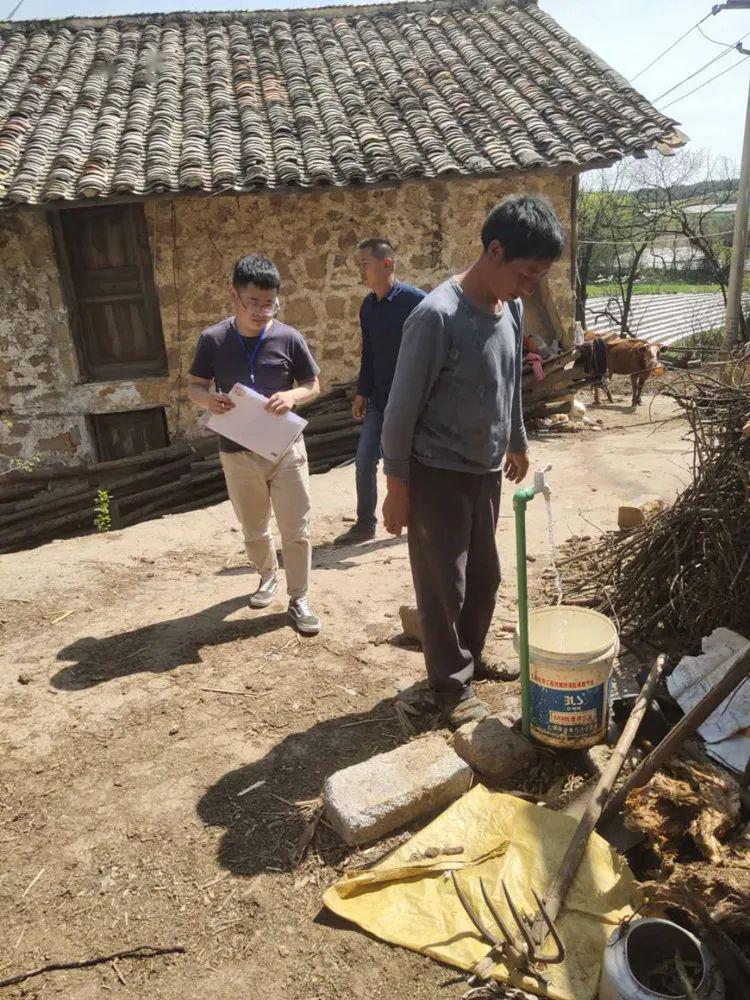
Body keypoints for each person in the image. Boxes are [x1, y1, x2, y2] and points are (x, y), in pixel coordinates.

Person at [381, 195, 565, 726]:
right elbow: (400, 409)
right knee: (444, 585)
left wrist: (518, 440)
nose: (529, 286)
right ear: (494, 250)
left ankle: (471, 656)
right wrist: (396, 485)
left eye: (538, 278)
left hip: (484, 471)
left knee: (485, 576)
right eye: (526, 274)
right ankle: (449, 686)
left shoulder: (510, 309)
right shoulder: (437, 317)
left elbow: (508, 384)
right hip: (436, 472)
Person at [187, 254, 322, 635]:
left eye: (270, 303)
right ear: (235, 296)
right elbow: (194, 385)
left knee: (297, 528)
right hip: (237, 452)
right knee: (253, 527)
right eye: (254, 303)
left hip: (285, 450)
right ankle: (266, 575)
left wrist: (293, 397)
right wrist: (206, 399)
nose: (263, 311)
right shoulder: (213, 339)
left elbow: (313, 385)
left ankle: (299, 598)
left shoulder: (289, 337)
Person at [333, 239, 425, 546]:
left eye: (365, 264)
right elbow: (368, 353)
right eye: (359, 265)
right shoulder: (367, 307)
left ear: (387, 264)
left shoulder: (416, 302)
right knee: (364, 459)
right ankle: (364, 523)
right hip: (378, 399)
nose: (360, 271)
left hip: (411, 401)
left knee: (411, 461)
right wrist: (362, 392)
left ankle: (419, 519)